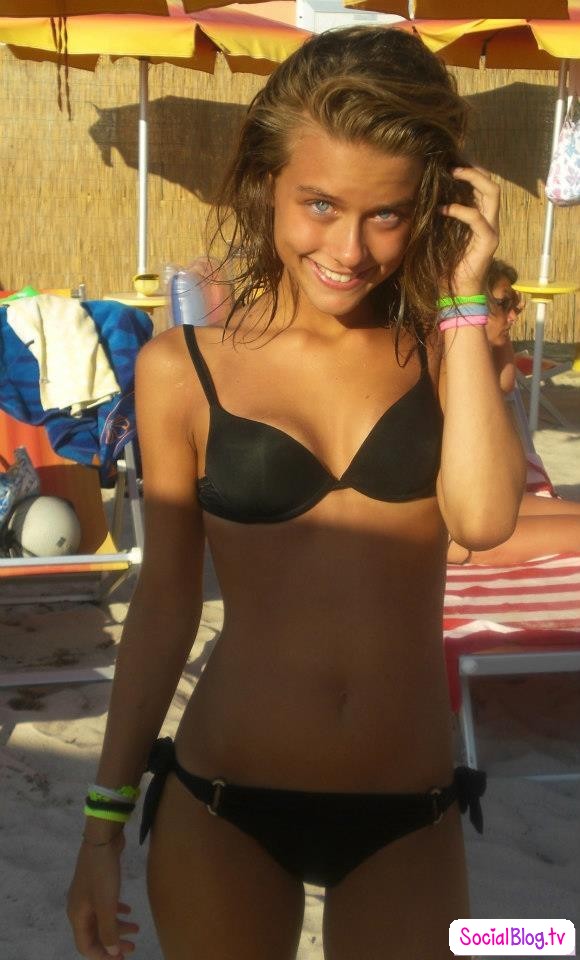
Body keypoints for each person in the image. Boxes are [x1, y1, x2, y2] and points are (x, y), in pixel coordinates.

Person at [67, 27, 526, 960]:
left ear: (432, 205)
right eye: (320, 203)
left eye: (387, 214)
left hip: (409, 809)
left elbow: (482, 519)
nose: (349, 249)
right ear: (264, 182)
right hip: (224, 798)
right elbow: (164, 605)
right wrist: (103, 822)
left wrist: (463, 300)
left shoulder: (447, 348)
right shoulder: (182, 367)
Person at [447, 258, 580, 566]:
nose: (514, 315)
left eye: (515, 304)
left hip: (483, 507)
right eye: (504, 303)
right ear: (468, 304)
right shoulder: (448, 372)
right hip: (451, 533)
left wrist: (498, 327)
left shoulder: (476, 368)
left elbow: (506, 383)